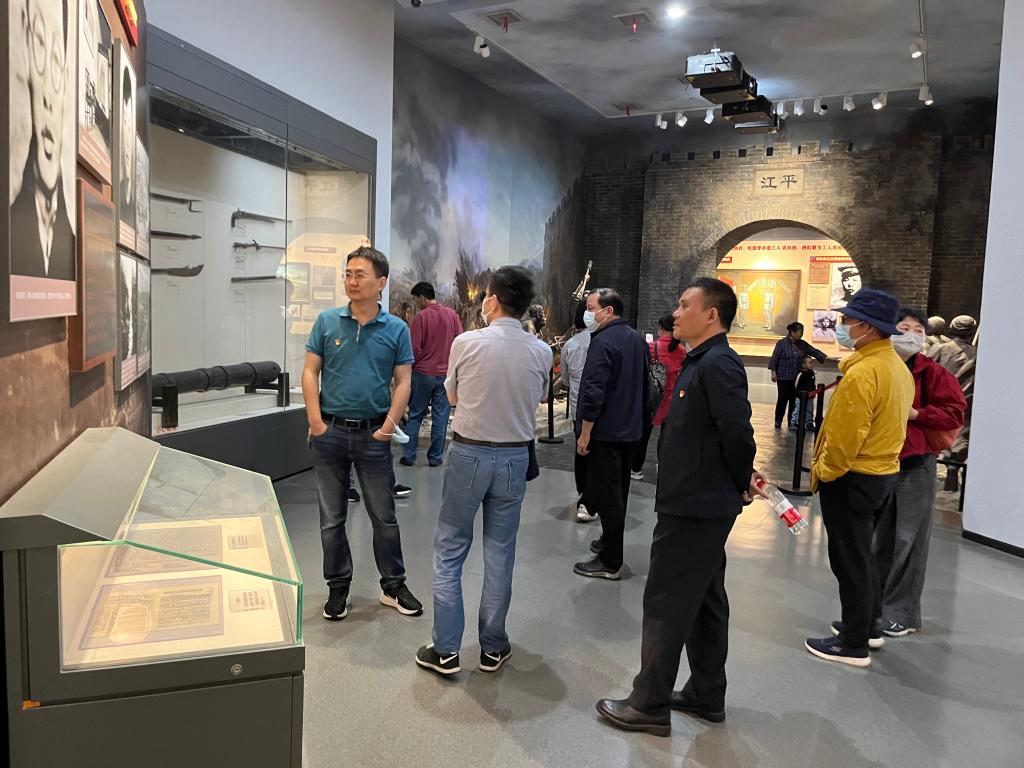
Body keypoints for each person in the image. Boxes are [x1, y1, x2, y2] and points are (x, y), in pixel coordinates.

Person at [595, 278, 764, 737]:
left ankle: (648, 703)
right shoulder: (701, 360)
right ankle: (706, 692)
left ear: (712, 314)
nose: (676, 312)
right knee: (705, 598)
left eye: (686, 305)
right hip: (696, 499)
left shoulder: (719, 363)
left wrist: (741, 478)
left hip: (696, 504)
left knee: (666, 600)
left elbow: (737, 431)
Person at [414, 266, 551, 677]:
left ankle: (446, 649)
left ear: (492, 300)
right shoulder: (541, 351)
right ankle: (492, 647)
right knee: (500, 551)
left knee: (450, 548)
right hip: (514, 458)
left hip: (469, 455)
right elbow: (541, 396)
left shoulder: (467, 342)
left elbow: (452, 394)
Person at [303, 246, 423, 622]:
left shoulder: (396, 329)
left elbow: (404, 382)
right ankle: (338, 587)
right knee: (331, 519)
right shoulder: (327, 322)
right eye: (348, 274)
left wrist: (388, 427)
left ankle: (393, 586)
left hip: (374, 436)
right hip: (330, 434)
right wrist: (316, 422)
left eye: (360, 275)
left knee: (384, 516)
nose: (352, 281)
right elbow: (309, 371)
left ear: (381, 282)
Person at [806, 289, 914, 667]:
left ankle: (853, 643)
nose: (842, 326)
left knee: (849, 560)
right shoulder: (896, 367)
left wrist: (825, 473)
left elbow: (844, 438)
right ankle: (867, 625)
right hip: (882, 475)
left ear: (867, 327)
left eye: (847, 320)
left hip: (853, 477)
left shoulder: (864, 373)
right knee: (863, 556)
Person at [862, 308, 965, 641]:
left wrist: (916, 414)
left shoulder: (932, 373)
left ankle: (901, 614)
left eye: (918, 330)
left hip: (915, 465)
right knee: (879, 541)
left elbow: (953, 413)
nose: (910, 334)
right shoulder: (878, 367)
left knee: (909, 541)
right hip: (879, 464)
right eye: (903, 327)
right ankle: (871, 609)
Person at [573, 288, 648, 580]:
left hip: (606, 432)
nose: (587, 313)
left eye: (591, 308)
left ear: (608, 311)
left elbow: (594, 392)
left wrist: (585, 433)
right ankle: (608, 541)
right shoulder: (636, 339)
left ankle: (610, 561)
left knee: (607, 496)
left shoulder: (602, 341)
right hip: (630, 431)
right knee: (619, 493)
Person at [9, 0, 75, 281]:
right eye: (39, 47)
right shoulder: (9, 221)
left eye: (57, 62)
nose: (48, 96)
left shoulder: (71, 236)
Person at [401, 281, 463, 468]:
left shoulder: (421, 318)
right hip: (445, 375)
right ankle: (435, 458)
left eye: (415, 299)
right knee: (441, 417)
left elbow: (414, 349)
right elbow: (460, 342)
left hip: (422, 374)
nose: (415, 303)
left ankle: (409, 456)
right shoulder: (452, 315)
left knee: (415, 415)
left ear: (422, 298)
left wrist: (414, 367)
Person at [630, 312, 686, 480]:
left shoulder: (652, 347)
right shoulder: (682, 351)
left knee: (643, 436)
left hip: (651, 398)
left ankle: (636, 469)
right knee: (666, 438)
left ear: (661, 328)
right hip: (672, 400)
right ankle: (663, 467)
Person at [930, 315, 978, 491]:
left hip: (938, 402)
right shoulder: (978, 355)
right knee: (960, 438)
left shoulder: (939, 350)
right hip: (965, 402)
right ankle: (952, 466)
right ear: (971, 332)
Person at [559, 302, 595, 522]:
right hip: (601, 410)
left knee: (581, 449)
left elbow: (564, 379)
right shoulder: (604, 342)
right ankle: (591, 500)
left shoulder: (571, 345)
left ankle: (584, 492)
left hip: (578, 408)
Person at [768, 321, 832, 429]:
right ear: (792, 332)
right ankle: (778, 420)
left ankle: (792, 422)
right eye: (800, 331)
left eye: (802, 331)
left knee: (794, 400)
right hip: (783, 377)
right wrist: (773, 372)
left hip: (797, 378)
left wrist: (826, 358)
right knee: (782, 398)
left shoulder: (802, 344)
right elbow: (775, 358)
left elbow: (813, 351)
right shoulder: (781, 343)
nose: (801, 334)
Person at [790, 355, 817, 431]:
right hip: (800, 396)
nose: (812, 364)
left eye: (812, 363)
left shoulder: (812, 373)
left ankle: (809, 423)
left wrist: (813, 392)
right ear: (803, 365)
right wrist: (798, 394)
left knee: (810, 410)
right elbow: (796, 385)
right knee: (798, 410)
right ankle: (793, 423)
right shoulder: (800, 374)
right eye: (810, 363)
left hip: (810, 395)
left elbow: (812, 384)